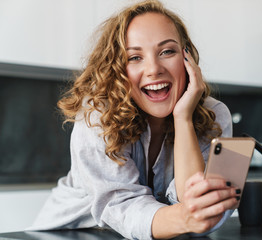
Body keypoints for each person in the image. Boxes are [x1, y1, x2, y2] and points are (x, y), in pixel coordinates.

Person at [29, 0, 240, 239]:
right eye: (134, 57)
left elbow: (205, 207)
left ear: (187, 58)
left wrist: (184, 119)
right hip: (72, 233)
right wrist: (187, 217)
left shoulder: (216, 114)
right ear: (116, 68)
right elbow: (121, 206)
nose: (153, 69)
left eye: (167, 51)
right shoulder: (97, 113)